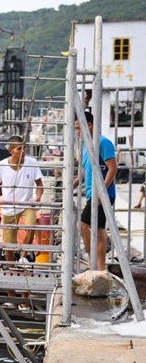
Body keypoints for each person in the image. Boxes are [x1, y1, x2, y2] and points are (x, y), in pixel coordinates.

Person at [0, 135, 44, 264]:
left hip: (27, 204)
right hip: (8, 207)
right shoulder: (1, 165)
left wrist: (38, 198)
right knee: (8, 244)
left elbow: (40, 185)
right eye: (19, 149)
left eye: (24, 148)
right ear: (11, 151)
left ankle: (23, 256)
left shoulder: (32, 163)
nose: (23, 151)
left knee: (31, 226)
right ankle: (11, 266)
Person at [77, 111, 117, 271]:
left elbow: (112, 168)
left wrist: (102, 192)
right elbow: (84, 170)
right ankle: (99, 267)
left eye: (79, 128)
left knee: (83, 225)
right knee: (99, 230)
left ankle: (93, 260)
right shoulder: (86, 146)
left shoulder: (102, 143)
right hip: (91, 193)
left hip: (102, 194)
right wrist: (71, 184)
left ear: (90, 125)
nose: (77, 132)